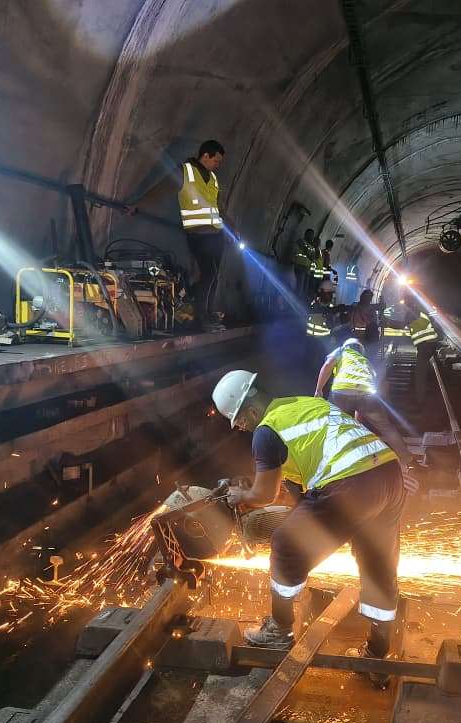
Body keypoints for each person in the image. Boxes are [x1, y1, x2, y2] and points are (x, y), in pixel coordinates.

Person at [212, 370, 415, 686]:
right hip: (387, 475)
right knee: (377, 567)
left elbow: (264, 495)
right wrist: (260, 493)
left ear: (251, 410)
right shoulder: (303, 406)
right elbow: (296, 490)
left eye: (239, 421)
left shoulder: (266, 431)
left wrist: (242, 495)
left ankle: (279, 630)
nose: (241, 428)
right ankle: (378, 656)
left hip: (350, 483)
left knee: (284, 544)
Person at [315, 338, 414, 467]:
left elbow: (328, 364)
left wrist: (319, 390)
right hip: (368, 395)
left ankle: (327, 461)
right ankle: (408, 460)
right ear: (361, 350)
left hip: (342, 392)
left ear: (347, 345)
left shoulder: (341, 351)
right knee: (387, 428)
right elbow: (379, 386)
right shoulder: (365, 362)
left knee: (333, 427)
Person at [178, 140, 227, 331]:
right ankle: (201, 317)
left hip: (216, 234)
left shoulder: (213, 178)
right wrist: (138, 204)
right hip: (198, 234)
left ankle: (208, 313)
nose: (218, 165)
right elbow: (162, 187)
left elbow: (218, 205)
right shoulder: (185, 171)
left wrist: (232, 225)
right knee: (209, 274)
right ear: (205, 156)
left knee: (214, 276)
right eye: (216, 160)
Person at [386, 294, 440, 405]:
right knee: (421, 371)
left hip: (426, 345)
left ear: (408, 302)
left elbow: (401, 325)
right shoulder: (419, 311)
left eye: (406, 302)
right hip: (430, 344)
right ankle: (420, 397)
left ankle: (420, 401)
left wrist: (387, 322)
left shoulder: (411, 313)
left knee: (420, 374)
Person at [293, 229, 318, 300]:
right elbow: (308, 253)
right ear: (306, 234)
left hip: (307, 269)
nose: (312, 237)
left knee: (304, 289)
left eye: (313, 235)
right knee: (299, 288)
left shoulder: (311, 246)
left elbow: (314, 257)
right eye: (311, 235)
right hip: (300, 267)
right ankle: (295, 301)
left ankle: (300, 302)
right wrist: (310, 255)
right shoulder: (301, 241)